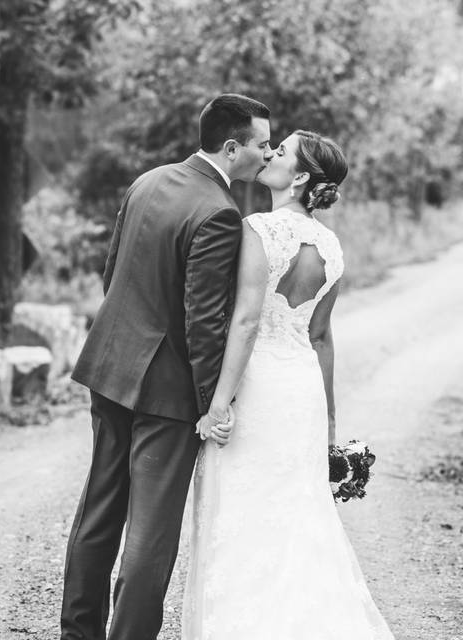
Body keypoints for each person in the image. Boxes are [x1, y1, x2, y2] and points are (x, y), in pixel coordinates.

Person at [61, 93, 272, 640]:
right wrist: (212, 405)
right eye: (262, 145)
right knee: (150, 537)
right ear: (232, 147)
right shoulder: (221, 213)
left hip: (110, 367)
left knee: (98, 515)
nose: (267, 156)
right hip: (165, 392)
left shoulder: (147, 181)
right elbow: (203, 322)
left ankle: (76, 634)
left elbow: (113, 276)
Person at [181, 130, 396, 638]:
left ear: (299, 177)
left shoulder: (258, 229)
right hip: (300, 392)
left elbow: (246, 323)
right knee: (299, 517)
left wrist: (218, 404)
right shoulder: (331, 247)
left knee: (242, 516)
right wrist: (328, 423)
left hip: (259, 388)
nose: (271, 153)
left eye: (282, 152)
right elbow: (320, 337)